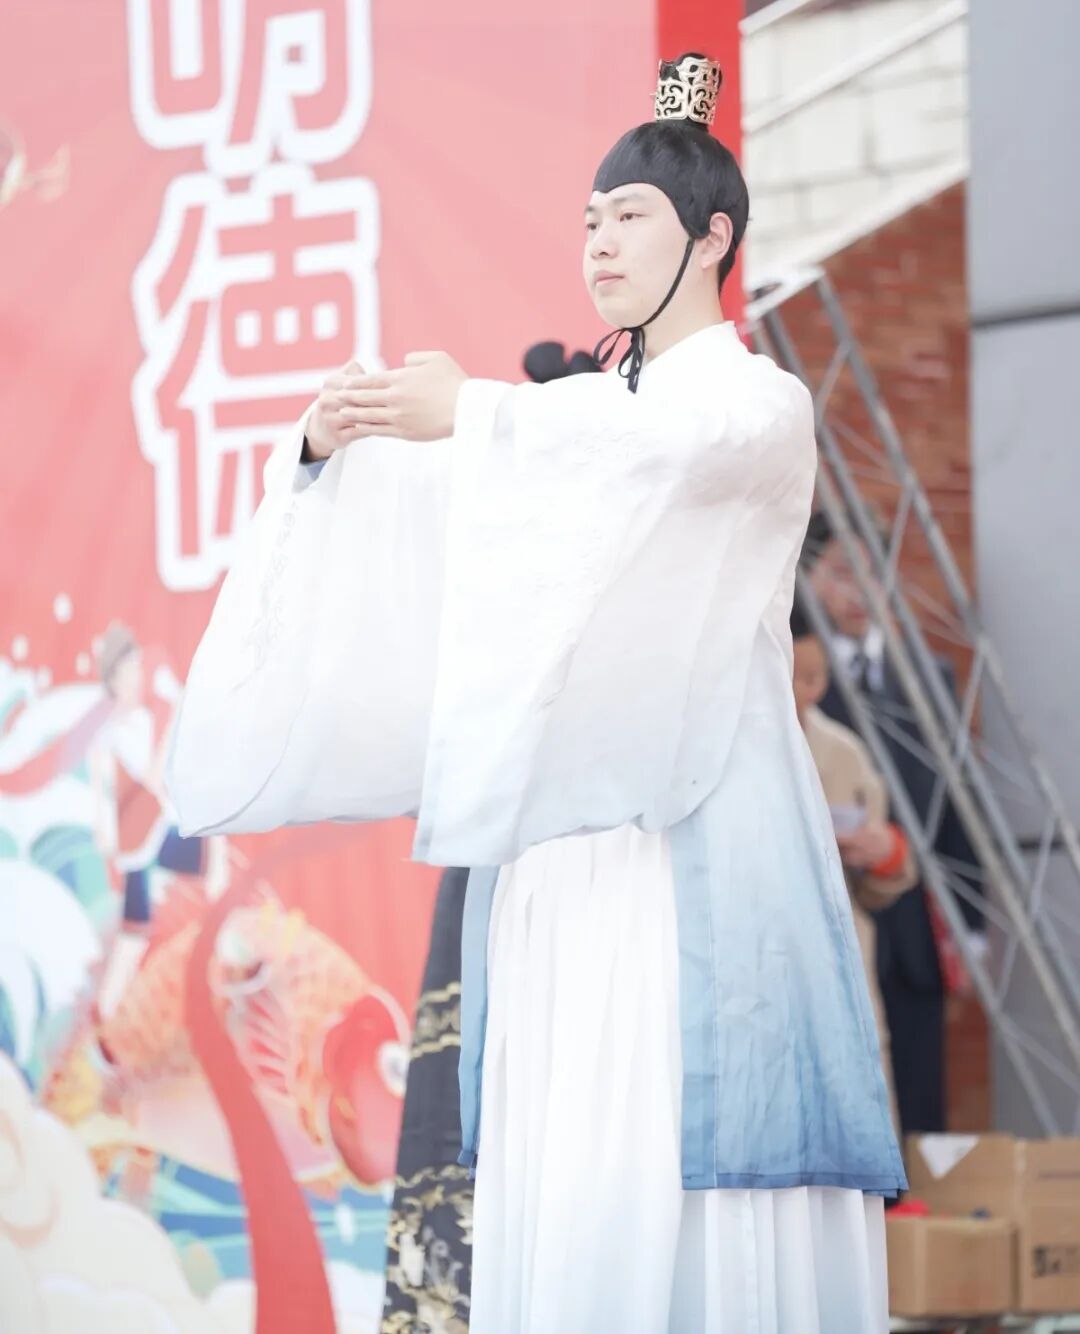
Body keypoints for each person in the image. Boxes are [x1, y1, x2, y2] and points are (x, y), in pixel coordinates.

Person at [170, 53, 904, 1333]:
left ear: (712, 238)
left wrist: (476, 411)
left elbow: (652, 446)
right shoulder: (571, 424)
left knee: (681, 1130)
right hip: (562, 852)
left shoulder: (755, 404)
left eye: (631, 215)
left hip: (700, 842)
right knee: (568, 1151)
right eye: (589, 219)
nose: (599, 240)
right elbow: (478, 506)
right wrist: (341, 447)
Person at [802, 509, 985, 1134]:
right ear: (807, 578)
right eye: (840, 573)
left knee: (920, 1101)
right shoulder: (795, 676)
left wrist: (971, 926)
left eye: (873, 573)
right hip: (833, 915)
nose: (859, 591)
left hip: (912, 923)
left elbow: (958, 798)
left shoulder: (927, 674)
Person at [790, 601, 917, 1132]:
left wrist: (885, 855)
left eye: (815, 677)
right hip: (759, 967)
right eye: (793, 676)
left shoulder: (844, 753)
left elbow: (883, 884)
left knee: (854, 1113)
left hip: (840, 961)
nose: (805, 692)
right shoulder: (717, 749)